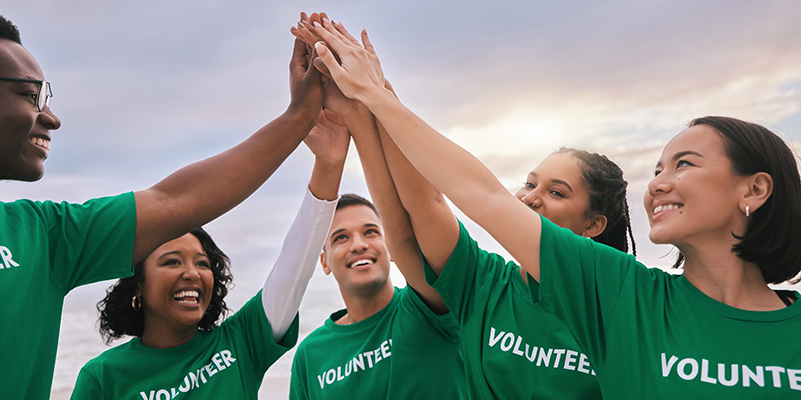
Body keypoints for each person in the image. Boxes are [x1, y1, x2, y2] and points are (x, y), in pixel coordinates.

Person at [309, 19, 801, 399]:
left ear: (754, 190)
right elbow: (462, 200)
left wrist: (374, 100)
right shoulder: (622, 294)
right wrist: (371, 98)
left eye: (684, 165)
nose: (658, 185)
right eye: (656, 170)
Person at [0, 6, 323, 399]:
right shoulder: (103, 374)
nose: (51, 118)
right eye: (28, 95)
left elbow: (176, 200)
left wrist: (301, 116)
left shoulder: (43, 235)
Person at [296, 16, 636, 398]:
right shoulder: (487, 284)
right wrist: (366, 105)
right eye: (529, 183)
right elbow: (419, 210)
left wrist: (376, 95)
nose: (531, 197)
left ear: (593, 224)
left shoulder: (622, 298)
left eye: (557, 192)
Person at [70, 108, 347, 399]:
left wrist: (329, 163)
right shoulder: (103, 376)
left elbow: (295, 265)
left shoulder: (241, 341)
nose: (192, 274)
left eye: (203, 264)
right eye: (172, 262)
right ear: (137, 284)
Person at [289, 15, 467, 398]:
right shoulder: (310, 355)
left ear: (387, 243)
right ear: (323, 260)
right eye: (339, 238)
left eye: (371, 231)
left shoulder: (428, 306)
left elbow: (413, 210)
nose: (359, 244)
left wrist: (371, 98)